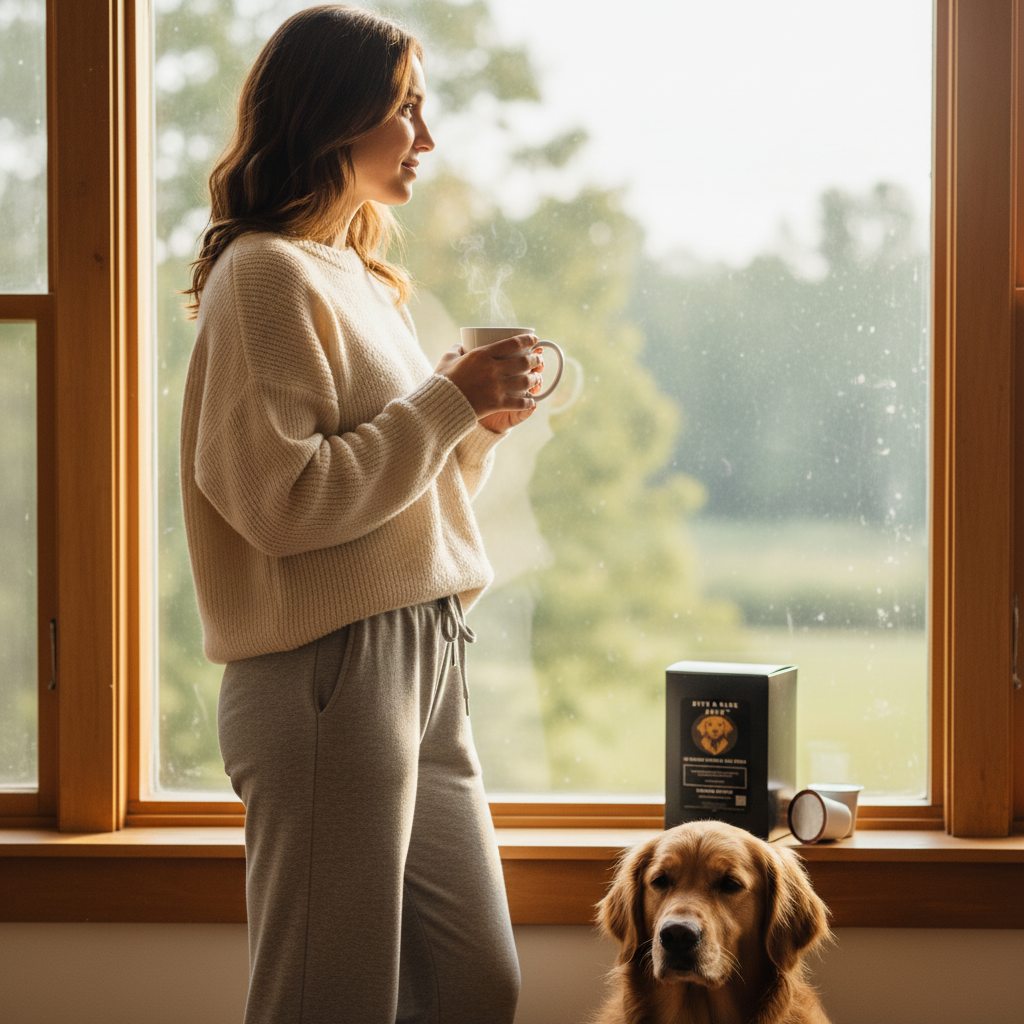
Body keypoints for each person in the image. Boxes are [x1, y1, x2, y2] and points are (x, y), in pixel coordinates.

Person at [179, 6, 542, 1022]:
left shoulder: (358, 279)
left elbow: (391, 512)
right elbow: (285, 507)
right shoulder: (263, 276)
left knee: (476, 985)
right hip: (327, 672)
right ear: (336, 116)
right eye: (405, 109)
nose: (425, 138)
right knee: (326, 998)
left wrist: (472, 429)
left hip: (424, 652)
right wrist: (443, 402)